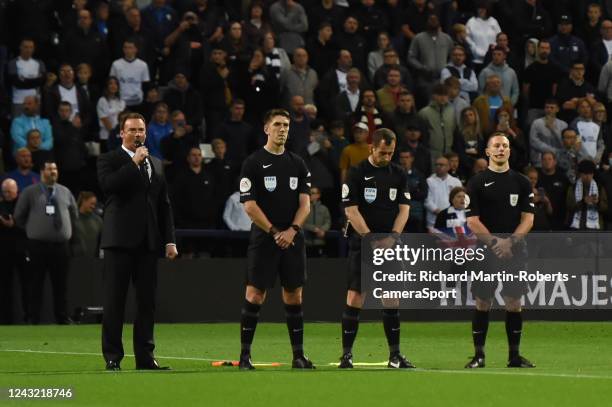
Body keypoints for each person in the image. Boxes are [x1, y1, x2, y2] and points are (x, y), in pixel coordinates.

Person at [97, 112, 178, 371]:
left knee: (147, 302)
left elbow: (163, 204)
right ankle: (112, 356)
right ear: (121, 133)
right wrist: (133, 163)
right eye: (131, 130)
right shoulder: (109, 159)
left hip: (149, 242)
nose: (137, 134)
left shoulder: (155, 162)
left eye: (141, 130)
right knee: (115, 301)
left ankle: (145, 357)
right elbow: (109, 186)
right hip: (119, 241)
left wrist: (170, 241)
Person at [237, 108, 314, 370]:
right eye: (278, 124)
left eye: (287, 125)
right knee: (255, 294)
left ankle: (298, 356)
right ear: (266, 129)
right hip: (264, 237)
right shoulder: (253, 162)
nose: (283, 129)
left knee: (294, 296)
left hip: (292, 237)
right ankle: (245, 356)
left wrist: (292, 230)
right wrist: (273, 231)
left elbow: (305, 205)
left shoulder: (298, 163)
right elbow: (249, 205)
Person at [340, 127, 413, 369]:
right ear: (372, 147)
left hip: (390, 244)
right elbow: (351, 210)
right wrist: (371, 239)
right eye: (383, 152)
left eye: (390, 153)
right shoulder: (357, 172)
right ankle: (347, 355)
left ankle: (395, 356)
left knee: (391, 298)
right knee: (356, 296)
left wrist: (392, 238)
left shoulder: (399, 174)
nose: (386, 157)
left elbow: (404, 209)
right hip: (363, 242)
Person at [465, 132, 535, 369]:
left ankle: (514, 356)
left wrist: (510, 242)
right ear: (487, 151)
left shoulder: (522, 182)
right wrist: (496, 243)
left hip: (514, 249)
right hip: (486, 250)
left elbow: (528, 219)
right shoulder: (476, 182)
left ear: (509, 151)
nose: (501, 149)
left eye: (505, 146)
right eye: (496, 146)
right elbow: (472, 221)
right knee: (483, 300)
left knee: (513, 302)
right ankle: (479, 356)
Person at [14, 160, 78, 325]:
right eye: (50, 169)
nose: (53, 172)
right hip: (38, 246)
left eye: (55, 169)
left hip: (61, 246)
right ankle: (33, 318)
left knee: (61, 285)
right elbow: (19, 217)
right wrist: (33, 229)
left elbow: (73, 215)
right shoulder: (30, 192)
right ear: (42, 172)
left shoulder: (65, 191)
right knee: (35, 284)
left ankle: (62, 317)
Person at [0, 179, 27, 324]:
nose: (7, 194)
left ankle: (29, 317)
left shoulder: (23, 205)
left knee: (26, 286)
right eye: (4, 191)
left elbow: (28, 226)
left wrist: (13, 225)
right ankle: (5, 319)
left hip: (21, 251)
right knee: (4, 287)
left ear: (17, 191)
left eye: (10, 191)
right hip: (4, 253)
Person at [567, 159, 608, 230]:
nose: (588, 176)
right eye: (585, 173)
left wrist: (597, 202)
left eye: (590, 173)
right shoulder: (573, 188)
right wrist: (583, 202)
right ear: (580, 174)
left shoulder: (599, 188)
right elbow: (569, 205)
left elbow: (605, 207)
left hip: (595, 227)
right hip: (577, 226)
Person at [424, 156, 463, 229]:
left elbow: (460, 199)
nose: (438, 166)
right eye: (436, 165)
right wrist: (441, 213)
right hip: (433, 220)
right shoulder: (429, 181)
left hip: (452, 219)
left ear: (448, 167)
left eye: (441, 165)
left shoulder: (456, 181)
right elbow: (427, 200)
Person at [529, 100, 567, 168]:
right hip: (540, 159)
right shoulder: (537, 123)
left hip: (559, 159)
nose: (549, 109)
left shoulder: (563, 125)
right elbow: (533, 141)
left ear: (557, 109)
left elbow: (565, 143)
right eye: (547, 107)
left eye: (552, 108)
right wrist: (552, 150)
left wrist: (553, 129)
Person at [72, 191, 103, 258]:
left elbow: (102, 243)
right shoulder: (72, 218)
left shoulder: (98, 221)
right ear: (83, 201)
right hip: (74, 261)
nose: (93, 206)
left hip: (93, 261)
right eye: (91, 204)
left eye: (95, 204)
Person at [303, 186, 331, 257]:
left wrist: (322, 230)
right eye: (309, 193)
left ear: (318, 195)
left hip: (320, 241)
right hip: (307, 242)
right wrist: (314, 229)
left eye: (313, 193)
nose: (310, 195)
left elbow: (328, 221)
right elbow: (302, 223)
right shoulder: (305, 208)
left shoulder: (324, 209)